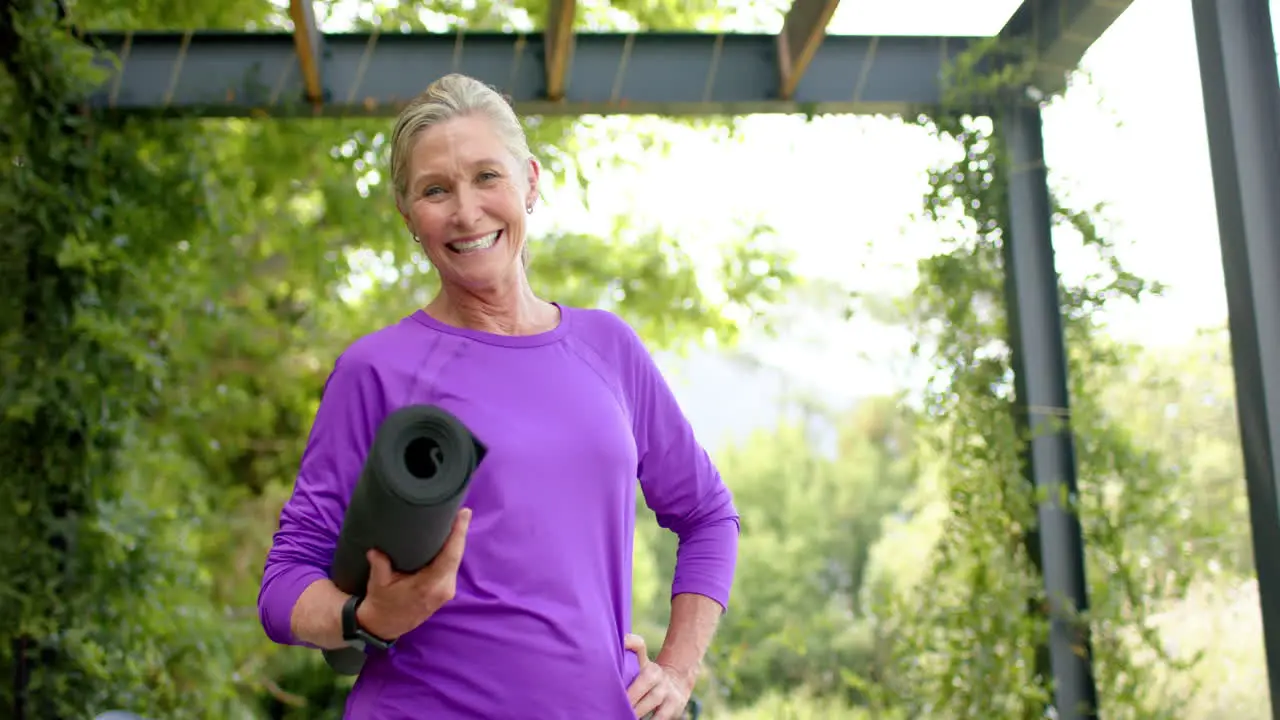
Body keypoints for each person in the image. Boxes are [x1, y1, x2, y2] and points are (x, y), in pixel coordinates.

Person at [256, 73, 741, 720]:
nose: (466, 210)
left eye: (488, 177)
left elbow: (708, 516)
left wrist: (678, 672)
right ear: (408, 214)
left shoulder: (608, 348)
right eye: (435, 190)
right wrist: (364, 615)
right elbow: (285, 584)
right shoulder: (375, 370)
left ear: (530, 183)